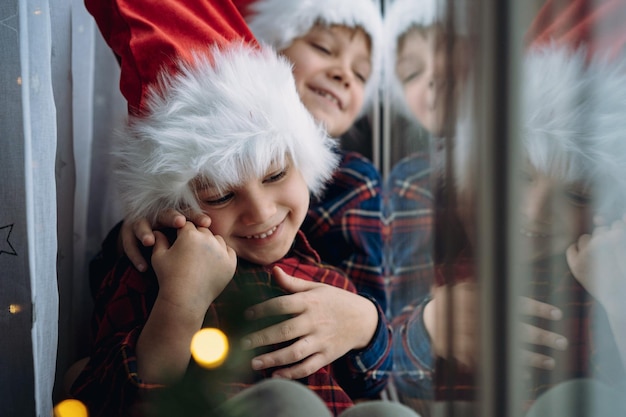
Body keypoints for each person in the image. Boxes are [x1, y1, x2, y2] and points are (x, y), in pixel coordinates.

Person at [70, 2, 421, 417]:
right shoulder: (153, 269)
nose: (260, 211)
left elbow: (375, 378)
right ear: (173, 204)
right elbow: (95, 397)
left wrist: (365, 321)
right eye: (220, 195)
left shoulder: (327, 281)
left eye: (275, 176)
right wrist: (181, 302)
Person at [382, 0, 626, 412]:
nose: (532, 210)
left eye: (576, 194)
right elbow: (370, 372)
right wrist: (427, 329)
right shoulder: (423, 252)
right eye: (520, 175)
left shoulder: (597, 283)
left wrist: (618, 300)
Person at [115, 0, 388, 318]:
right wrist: (138, 228)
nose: (345, 75)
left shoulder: (356, 183)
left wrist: (364, 322)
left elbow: (378, 306)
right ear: (266, 50)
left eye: (361, 74)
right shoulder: (183, 194)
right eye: (323, 48)